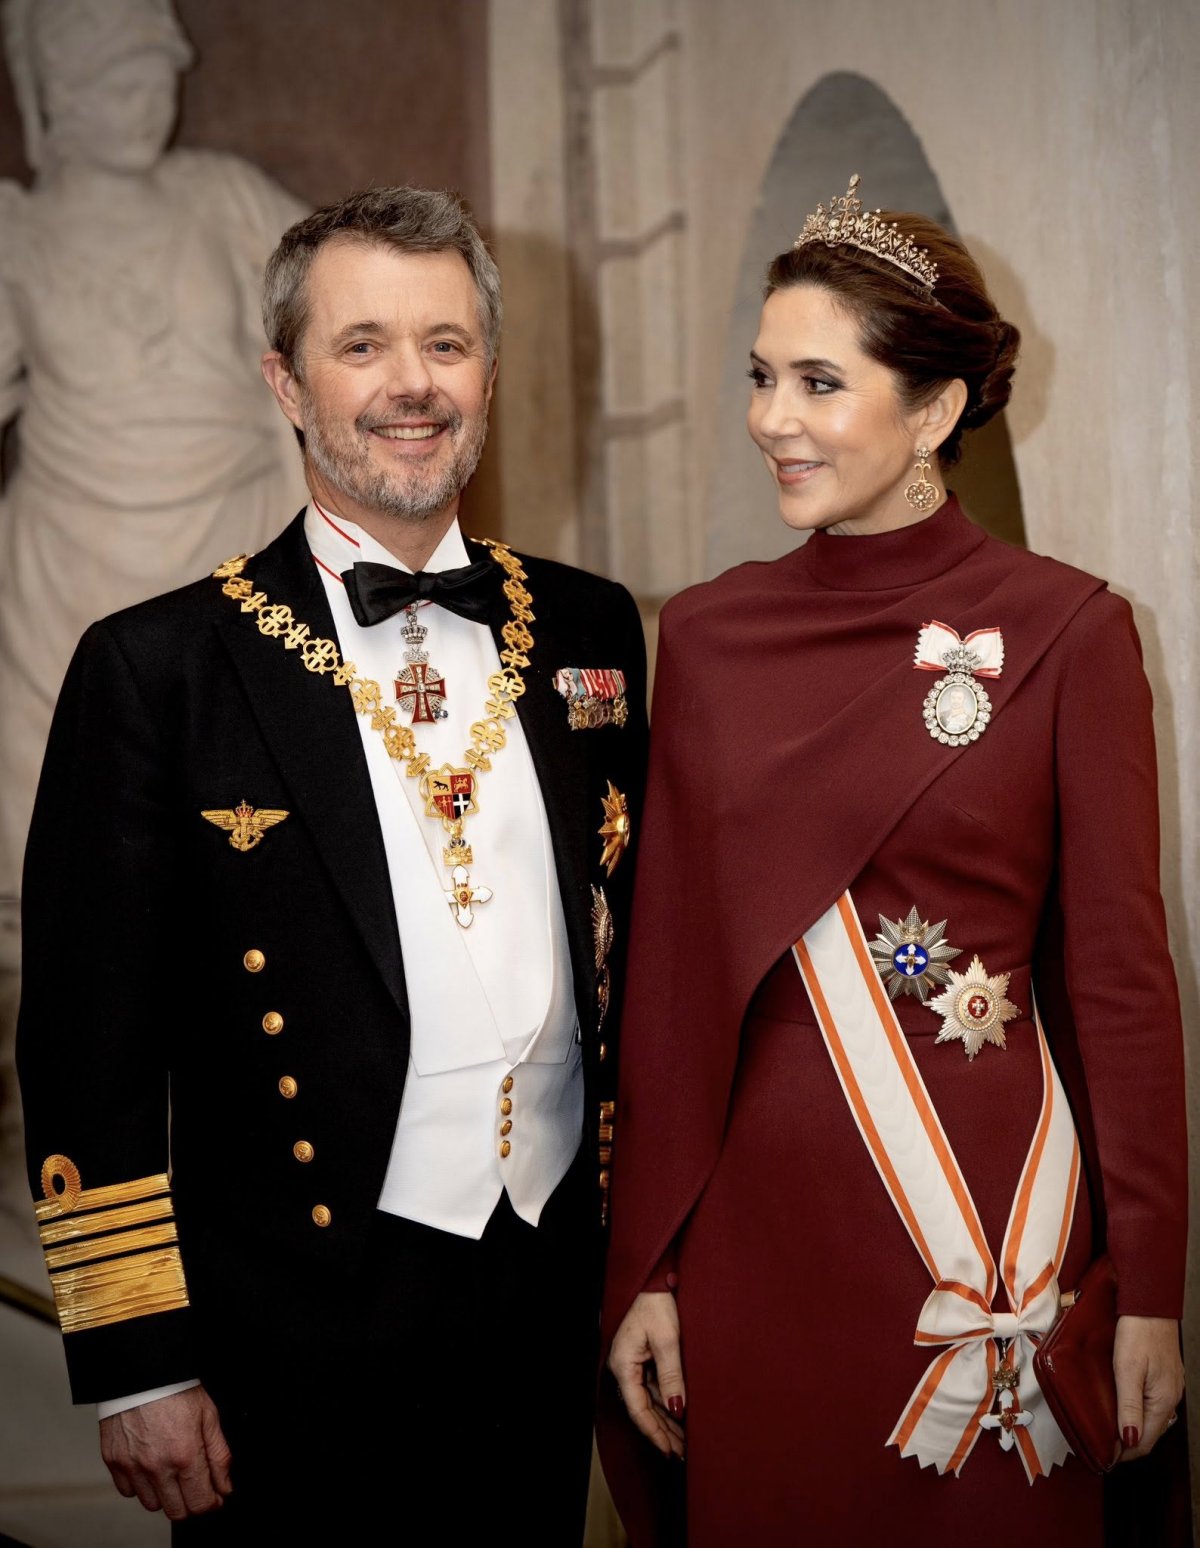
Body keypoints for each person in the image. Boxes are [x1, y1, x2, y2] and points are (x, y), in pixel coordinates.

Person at [17, 185, 648, 1544]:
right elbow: (86, 1050)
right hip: (285, 1335)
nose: (409, 385)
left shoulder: (595, 631)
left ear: (491, 373)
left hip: (544, 1302)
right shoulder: (155, 669)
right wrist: (142, 1361)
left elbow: (637, 961)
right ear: (286, 382)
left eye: (445, 343)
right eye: (361, 345)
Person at [599, 175, 1187, 1545]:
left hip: (990, 1239)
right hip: (761, 1251)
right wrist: (651, 1265)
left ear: (933, 413)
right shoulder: (705, 637)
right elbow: (675, 988)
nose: (771, 419)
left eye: (818, 381)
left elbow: (1119, 984)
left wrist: (1151, 1282)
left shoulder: (1068, 634)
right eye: (761, 377)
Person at [0, 0, 307, 943]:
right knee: (64, 849)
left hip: (232, 536)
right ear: (55, 94)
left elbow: (342, 300)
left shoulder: (221, 195)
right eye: (111, 81)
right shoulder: (20, 231)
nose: (140, 102)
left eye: (154, 77)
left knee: (245, 824)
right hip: (71, 559)